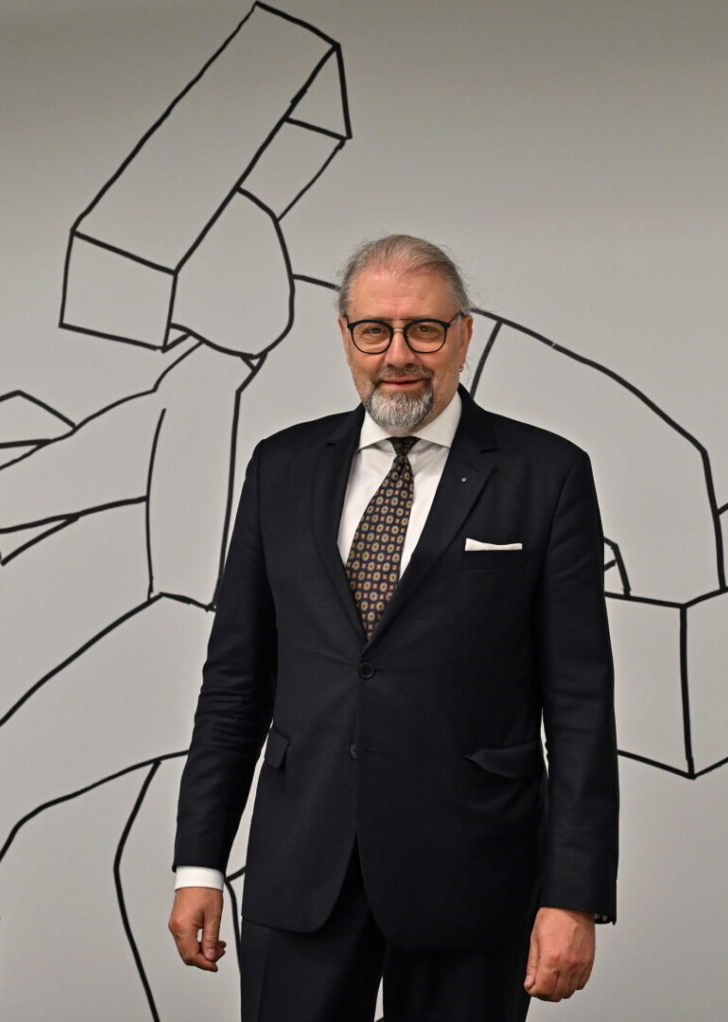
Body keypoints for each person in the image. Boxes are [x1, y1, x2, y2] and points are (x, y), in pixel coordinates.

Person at [168, 234, 619, 1021]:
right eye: (375, 330)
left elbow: (580, 704)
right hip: (302, 865)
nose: (398, 354)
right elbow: (235, 683)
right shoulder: (280, 467)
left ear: (465, 336)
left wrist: (572, 894)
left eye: (425, 330)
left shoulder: (547, 474)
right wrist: (199, 863)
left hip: (473, 872)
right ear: (346, 336)